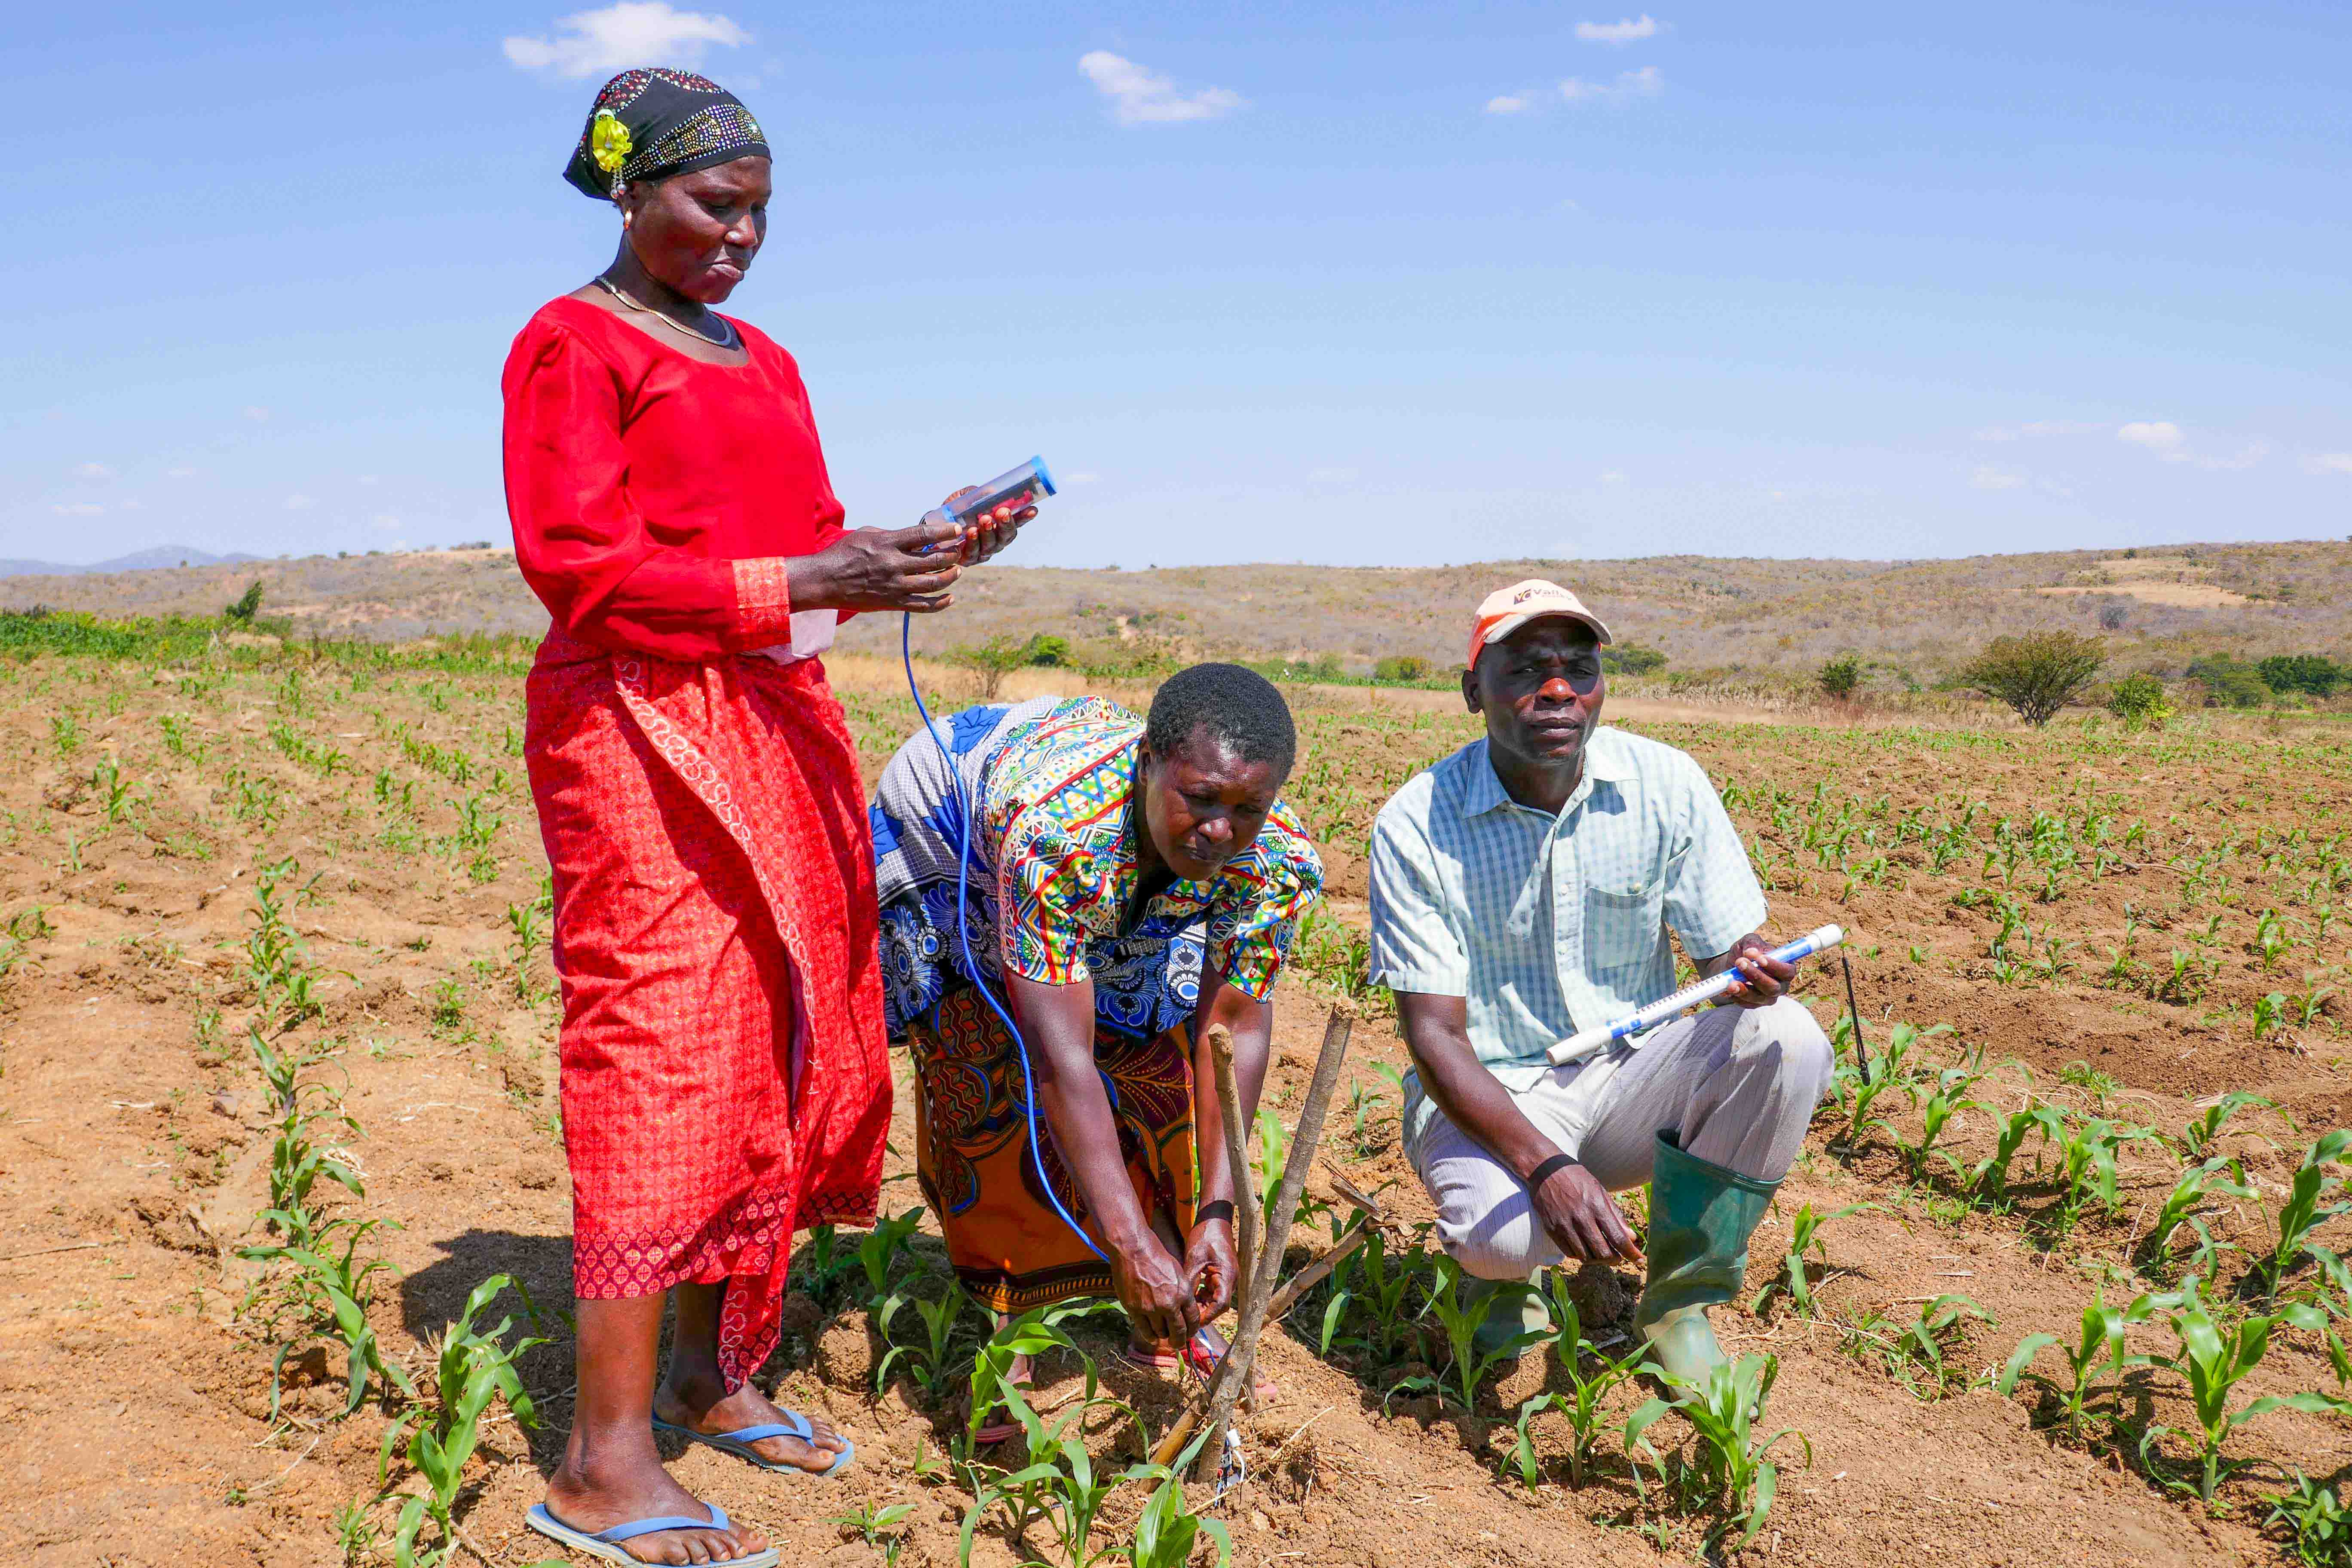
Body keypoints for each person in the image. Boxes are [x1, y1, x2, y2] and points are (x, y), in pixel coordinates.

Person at [505, 68, 1035, 1567]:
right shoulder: (572, 340)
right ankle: (604, 1464)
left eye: (759, 214)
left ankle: (711, 1367)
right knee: (661, 1045)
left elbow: (803, 553)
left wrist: (913, 554)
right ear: (630, 192)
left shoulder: (766, 359)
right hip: (636, 723)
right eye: (710, 205)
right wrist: (813, 579)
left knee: (780, 1034)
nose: (738, 238)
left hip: (772, 715)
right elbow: (580, 567)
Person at [1367, 581, 1832, 1390]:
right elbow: (1434, 1038)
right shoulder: (1418, 821)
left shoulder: (1666, 783)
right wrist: (1548, 1169)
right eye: (1525, 670)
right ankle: (1506, 1285)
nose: (1556, 690)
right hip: (1496, 1091)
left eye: (1577, 668)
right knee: (1500, 1243)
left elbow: (1725, 952)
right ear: (1474, 690)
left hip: (1632, 1082)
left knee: (1787, 1037)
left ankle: (1680, 1304)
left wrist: (1749, 967)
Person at [868, 665, 1323, 1433]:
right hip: (957, 823)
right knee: (987, 1048)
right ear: (1148, 761)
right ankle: (1010, 1328)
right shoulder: (1054, 836)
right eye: (1201, 799)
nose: (1221, 830)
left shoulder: (1272, 861)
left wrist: (1217, 1214)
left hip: (1091, 853)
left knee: (1151, 1040)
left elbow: (1232, 1031)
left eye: (1248, 808)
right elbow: (1060, 1061)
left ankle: (1175, 1292)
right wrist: (1126, 1239)